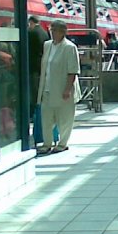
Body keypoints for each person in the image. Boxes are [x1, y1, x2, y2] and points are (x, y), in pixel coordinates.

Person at [36, 20, 81, 154]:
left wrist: (67, 89)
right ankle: (47, 143)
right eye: (51, 30)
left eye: (55, 30)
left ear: (63, 32)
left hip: (64, 88)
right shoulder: (47, 45)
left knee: (65, 118)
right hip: (47, 87)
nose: (52, 32)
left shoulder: (69, 47)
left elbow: (73, 70)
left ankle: (62, 144)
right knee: (46, 116)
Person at [27, 16, 49, 119]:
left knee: (34, 89)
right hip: (42, 64)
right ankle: (40, 109)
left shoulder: (32, 33)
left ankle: (34, 112)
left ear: (31, 22)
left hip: (33, 65)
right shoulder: (44, 32)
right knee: (40, 87)